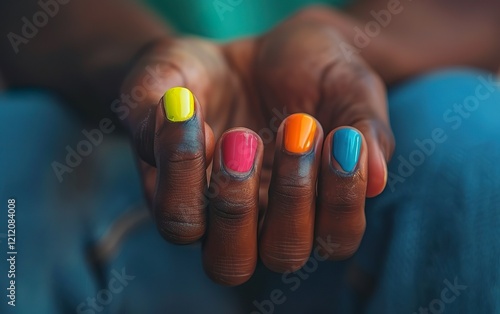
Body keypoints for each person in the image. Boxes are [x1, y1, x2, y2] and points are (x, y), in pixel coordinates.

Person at [0, 0, 499, 313]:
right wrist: (138, 62)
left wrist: (351, 44)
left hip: (388, 99)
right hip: (117, 127)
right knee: (14, 153)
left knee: (477, 150)